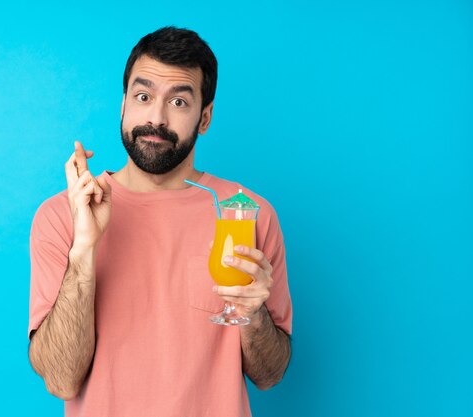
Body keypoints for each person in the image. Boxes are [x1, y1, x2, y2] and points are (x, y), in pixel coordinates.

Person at [27, 26, 293, 417]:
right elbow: (61, 379)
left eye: (179, 102)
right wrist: (83, 250)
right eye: (143, 96)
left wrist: (254, 316)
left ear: (205, 118)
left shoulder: (247, 213)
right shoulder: (62, 215)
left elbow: (269, 374)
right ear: (123, 105)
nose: (156, 117)